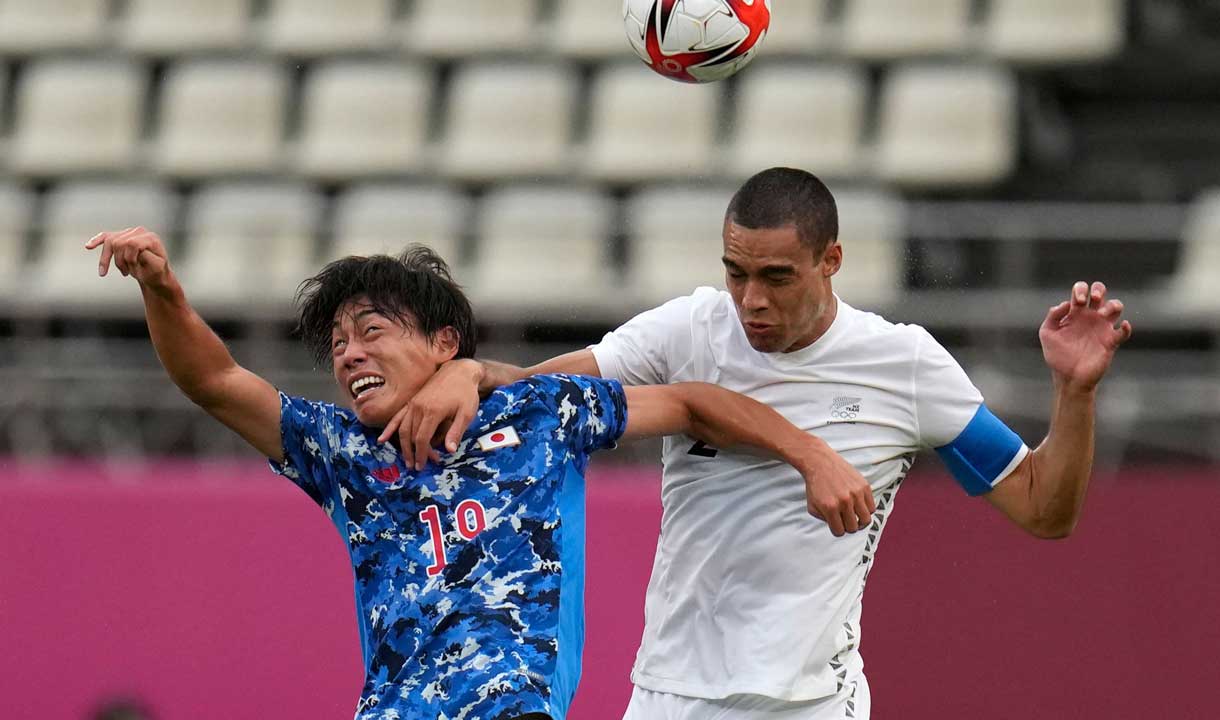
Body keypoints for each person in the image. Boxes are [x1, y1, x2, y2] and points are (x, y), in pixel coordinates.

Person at [385, 167, 1134, 720]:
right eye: (737, 273)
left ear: (831, 262)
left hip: (810, 703)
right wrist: (474, 374)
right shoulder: (687, 330)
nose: (752, 300)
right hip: (669, 694)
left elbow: (1044, 508)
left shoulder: (903, 363)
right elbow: (543, 402)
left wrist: (1075, 393)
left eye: (777, 277)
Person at [84, 228, 872, 720]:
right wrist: (163, 288)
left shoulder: (537, 414)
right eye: (337, 344)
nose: (349, 353)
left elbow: (695, 403)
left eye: (372, 331)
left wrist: (815, 454)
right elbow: (216, 382)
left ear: (444, 343)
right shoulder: (339, 451)